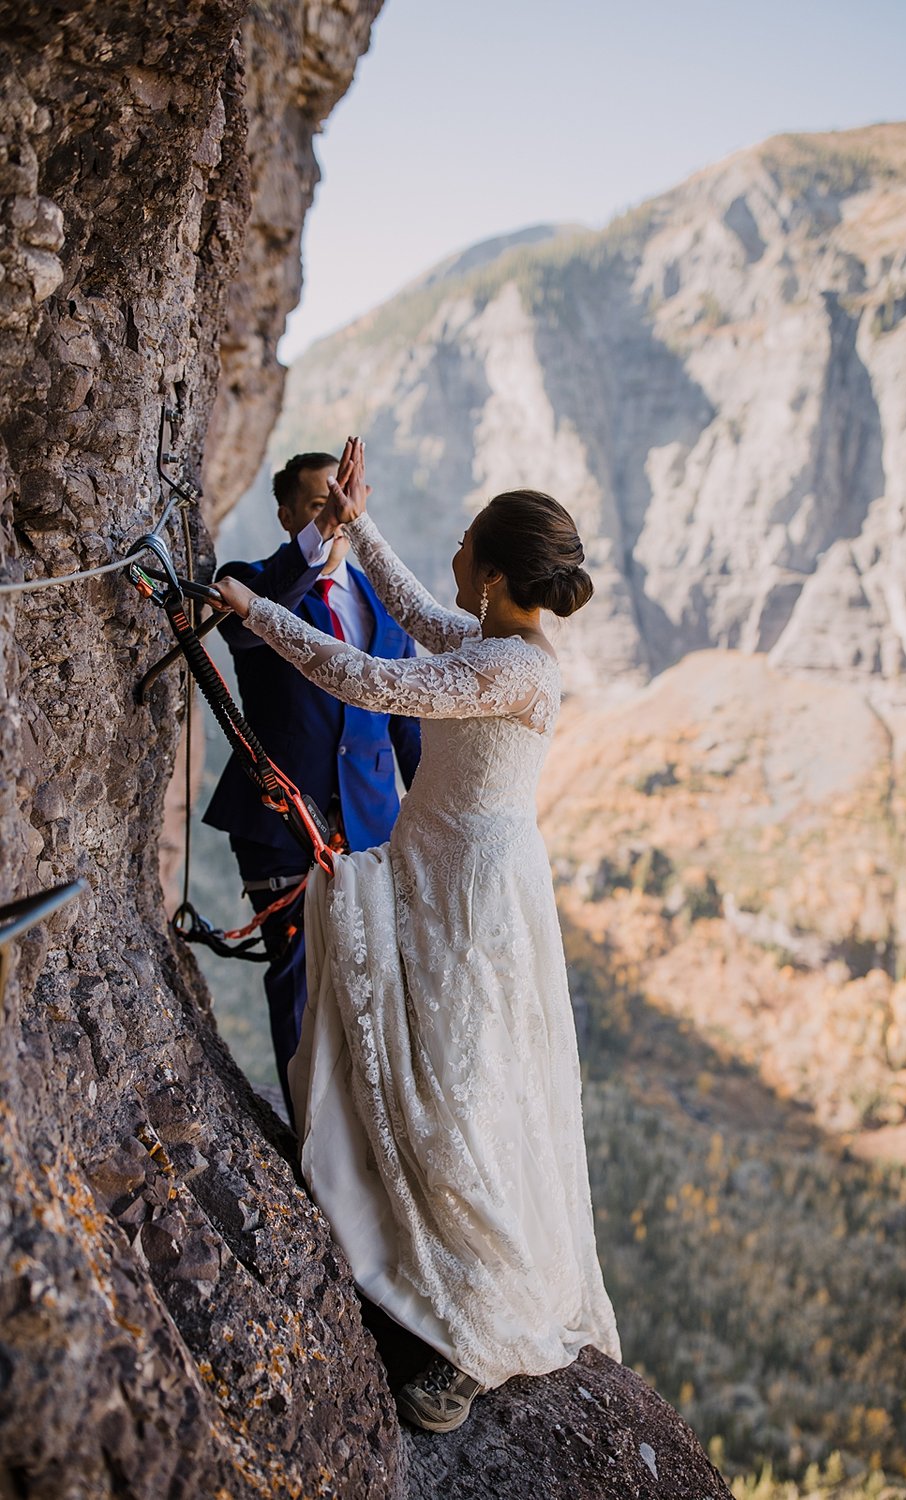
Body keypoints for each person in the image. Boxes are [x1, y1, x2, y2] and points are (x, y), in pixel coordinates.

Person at [213, 438, 620, 1433]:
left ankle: (474, 1339)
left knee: (460, 1083)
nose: (455, 548)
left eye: (465, 539)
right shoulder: (500, 646)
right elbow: (409, 618)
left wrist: (255, 613)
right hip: (450, 872)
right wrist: (355, 524)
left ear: (488, 568)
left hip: (467, 898)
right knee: (438, 1065)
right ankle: (415, 1244)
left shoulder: (504, 669)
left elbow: (367, 679)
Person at [203, 449, 421, 1122]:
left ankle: (365, 1133)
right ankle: (310, 1139)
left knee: (372, 981)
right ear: (289, 514)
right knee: (296, 983)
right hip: (279, 825)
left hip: (372, 827)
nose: (336, 511)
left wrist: (429, 816)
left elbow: (405, 724)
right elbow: (252, 619)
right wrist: (319, 533)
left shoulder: (384, 608)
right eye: (320, 501)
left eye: (344, 499)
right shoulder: (248, 583)